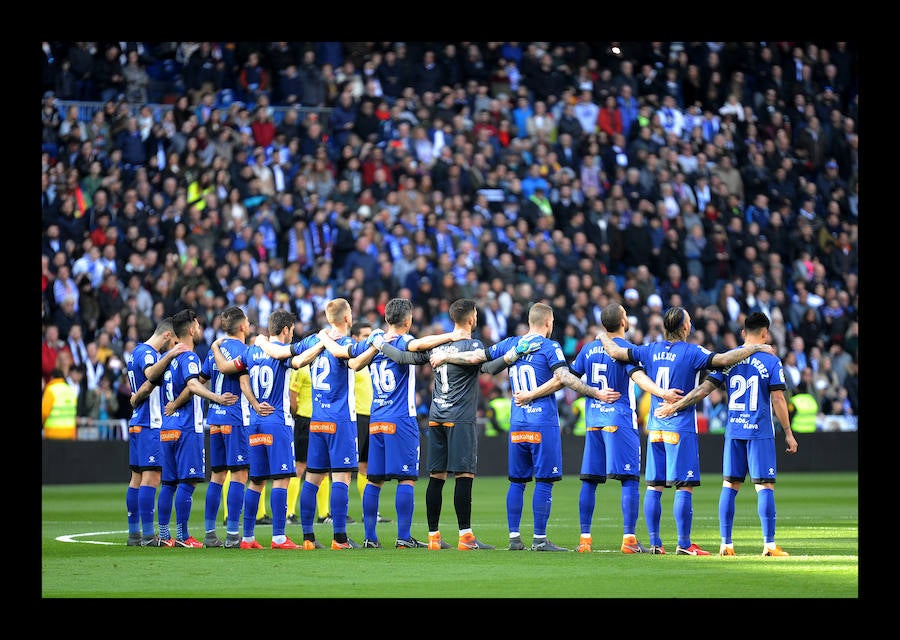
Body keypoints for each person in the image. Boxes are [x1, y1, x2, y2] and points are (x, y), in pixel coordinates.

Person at [596, 304, 776, 555]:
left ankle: (656, 544)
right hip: (680, 427)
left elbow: (615, 351)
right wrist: (755, 347)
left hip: (655, 426)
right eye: (689, 321)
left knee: (654, 486)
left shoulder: (650, 349)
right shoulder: (693, 352)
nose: (690, 324)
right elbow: (723, 360)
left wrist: (603, 334)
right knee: (684, 486)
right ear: (683, 327)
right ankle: (683, 544)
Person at [430, 302, 605, 552]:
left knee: (517, 481)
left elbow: (477, 358)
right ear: (548, 322)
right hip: (542, 422)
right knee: (544, 480)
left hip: (519, 422)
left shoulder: (512, 343)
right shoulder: (550, 346)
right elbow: (564, 378)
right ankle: (539, 539)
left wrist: (447, 355)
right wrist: (594, 392)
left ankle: (514, 538)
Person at [525, 303, 685, 554]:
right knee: (630, 479)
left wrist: (533, 393)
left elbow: (565, 378)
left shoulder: (588, 349)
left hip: (594, 423)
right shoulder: (628, 349)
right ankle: (629, 540)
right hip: (620, 421)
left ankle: (585, 540)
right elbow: (638, 378)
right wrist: (662, 393)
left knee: (589, 481)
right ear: (623, 321)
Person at [654, 311, 799, 556]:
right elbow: (778, 398)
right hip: (760, 431)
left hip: (733, 431)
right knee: (764, 486)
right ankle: (769, 545)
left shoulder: (728, 361)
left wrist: (675, 405)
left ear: (743, 333)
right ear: (765, 334)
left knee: (729, 485)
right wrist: (788, 432)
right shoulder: (771, 361)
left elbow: (703, 390)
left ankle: (726, 544)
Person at [374, 298, 511, 551]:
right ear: (472, 318)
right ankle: (466, 537)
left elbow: (404, 358)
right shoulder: (473, 344)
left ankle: (434, 537)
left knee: (436, 478)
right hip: (460, 419)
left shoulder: (438, 346)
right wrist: (510, 357)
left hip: (436, 417)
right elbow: (488, 368)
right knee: (464, 476)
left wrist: (380, 344)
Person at [336, 298, 462, 548]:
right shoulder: (402, 341)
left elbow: (354, 363)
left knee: (374, 479)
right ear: (408, 320)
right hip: (401, 419)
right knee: (406, 478)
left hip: (377, 419)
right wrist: (451, 336)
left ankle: (370, 538)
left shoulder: (375, 342)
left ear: (386, 319)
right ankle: (403, 537)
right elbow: (420, 343)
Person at [255, 299, 368, 550]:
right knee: (341, 477)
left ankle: (307, 537)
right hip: (341, 420)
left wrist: (260, 340)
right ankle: (339, 539)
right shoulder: (348, 344)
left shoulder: (310, 342)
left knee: (312, 479)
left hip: (316, 420)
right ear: (348, 319)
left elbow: (283, 353)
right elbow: (358, 360)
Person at [216, 308, 325, 549]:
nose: (292, 334)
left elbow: (226, 368)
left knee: (256, 480)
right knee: (282, 478)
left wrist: (214, 347)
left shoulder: (251, 351)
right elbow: (299, 360)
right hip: (277, 421)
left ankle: (247, 538)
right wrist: (322, 342)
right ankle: (278, 537)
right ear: (286, 330)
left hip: (254, 422)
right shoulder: (282, 353)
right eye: (292, 331)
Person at [158, 309, 237, 548]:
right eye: (198, 325)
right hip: (186, 427)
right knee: (187, 482)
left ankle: (164, 535)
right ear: (191, 329)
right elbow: (193, 384)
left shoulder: (169, 357)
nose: (200, 329)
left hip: (167, 427)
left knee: (169, 484)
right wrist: (216, 397)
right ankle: (182, 537)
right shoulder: (189, 357)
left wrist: (172, 405)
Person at [200, 306, 274, 548]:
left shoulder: (215, 351)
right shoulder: (243, 350)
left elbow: (199, 382)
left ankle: (210, 533)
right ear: (243, 326)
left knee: (217, 476)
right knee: (240, 475)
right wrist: (255, 405)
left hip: (216, 419)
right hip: (236, 418)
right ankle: (233, 534)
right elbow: (243, 383)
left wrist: (214, 399)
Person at [123, 316, 185, 546]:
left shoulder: (135, 352)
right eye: (173, 342)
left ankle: (134, 533)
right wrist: (170, 355)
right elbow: (151, 375)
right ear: (167, 335)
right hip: (150, 422)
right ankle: (148, 534)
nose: (173, 346)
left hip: (138, 421)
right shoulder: (150, 354)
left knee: (137, 478)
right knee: (152, 477)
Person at [348, 320, 390, 525]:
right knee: (346, 467)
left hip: (373, 416)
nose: (369, 339)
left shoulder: (374, 359)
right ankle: (331, 512)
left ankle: (369, 512)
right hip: (356, 417)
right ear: (355, 338)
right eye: (365, 336)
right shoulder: (354, 360)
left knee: (366, 467)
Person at [288, 357, 332, 528]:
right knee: (300, 467)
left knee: (324, 469)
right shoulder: (301, 367)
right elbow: (293, 395)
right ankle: (289, 513)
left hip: (321, 419)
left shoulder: (322, 364)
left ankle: (323, 514)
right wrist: (298, 416)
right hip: (305, 420)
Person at [42, 368, 78, 440]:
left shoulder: (50, 390)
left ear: (52, 377)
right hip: (69, 433)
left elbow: (44, 413)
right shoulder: (70, 390)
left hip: (52, 433)